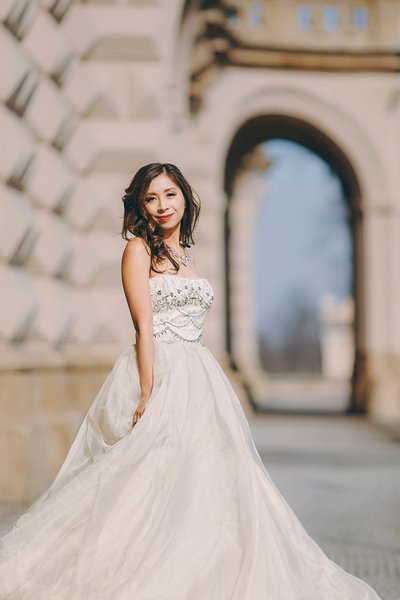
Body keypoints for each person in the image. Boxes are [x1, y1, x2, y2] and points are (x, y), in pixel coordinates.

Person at [0, 163, 383, 599]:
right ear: (140, 206)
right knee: (148, 480)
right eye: (151, 198)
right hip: (160, 371)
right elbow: (143, 326)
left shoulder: (187, 255)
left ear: (185, 197)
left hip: (202, 378)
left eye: (170, 194)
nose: (162, 206)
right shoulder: (137, 251)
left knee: (209, 478)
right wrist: (147, 393)